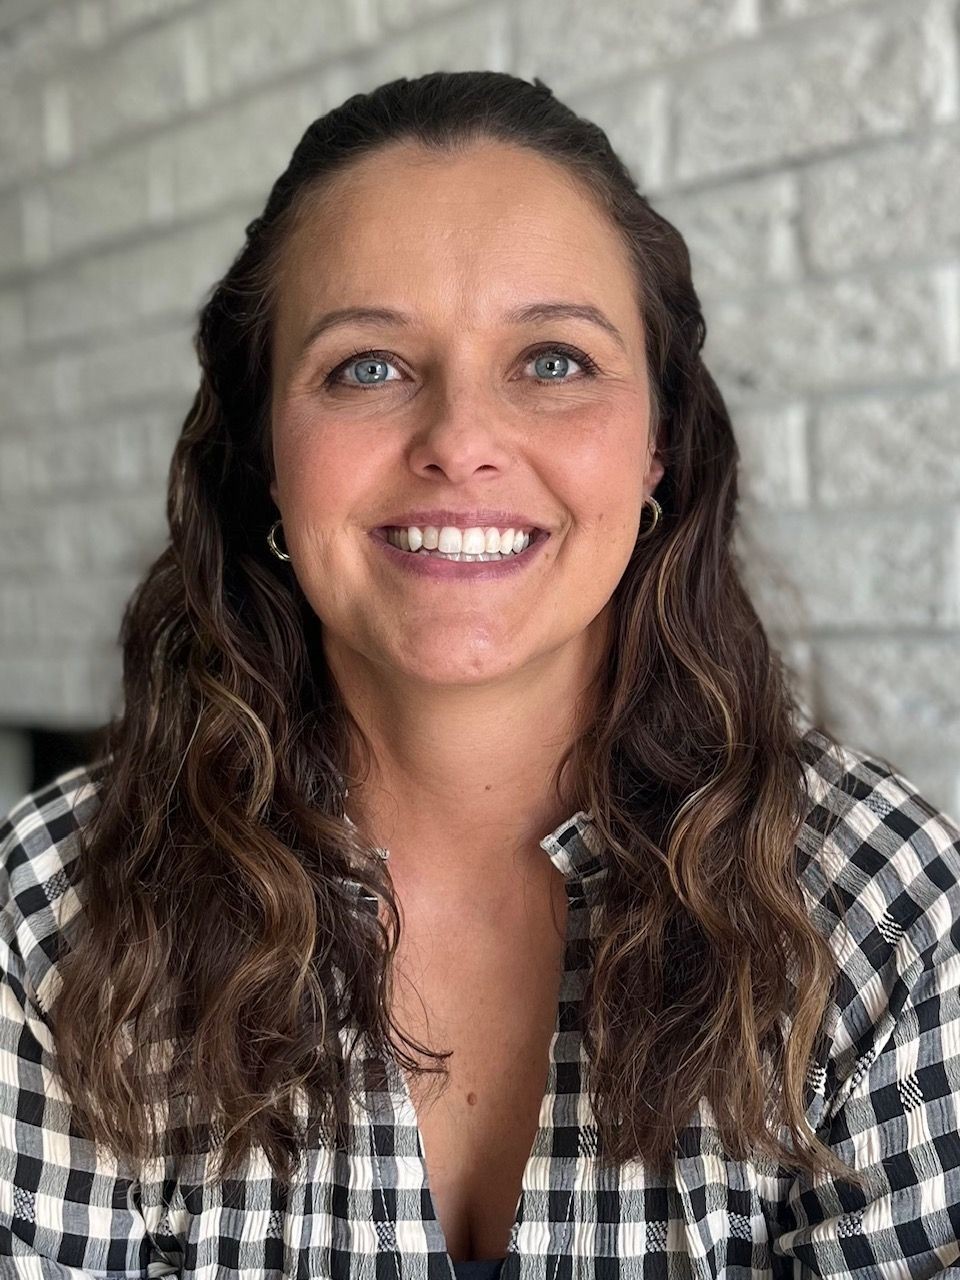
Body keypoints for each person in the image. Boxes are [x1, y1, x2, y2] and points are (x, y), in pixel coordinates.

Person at [1, 70, 958, 1280]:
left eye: (553, 361)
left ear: (658, 439)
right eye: (366, 366)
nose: (459, 439)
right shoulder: (49, 921)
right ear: (265, 459)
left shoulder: (887, 919)